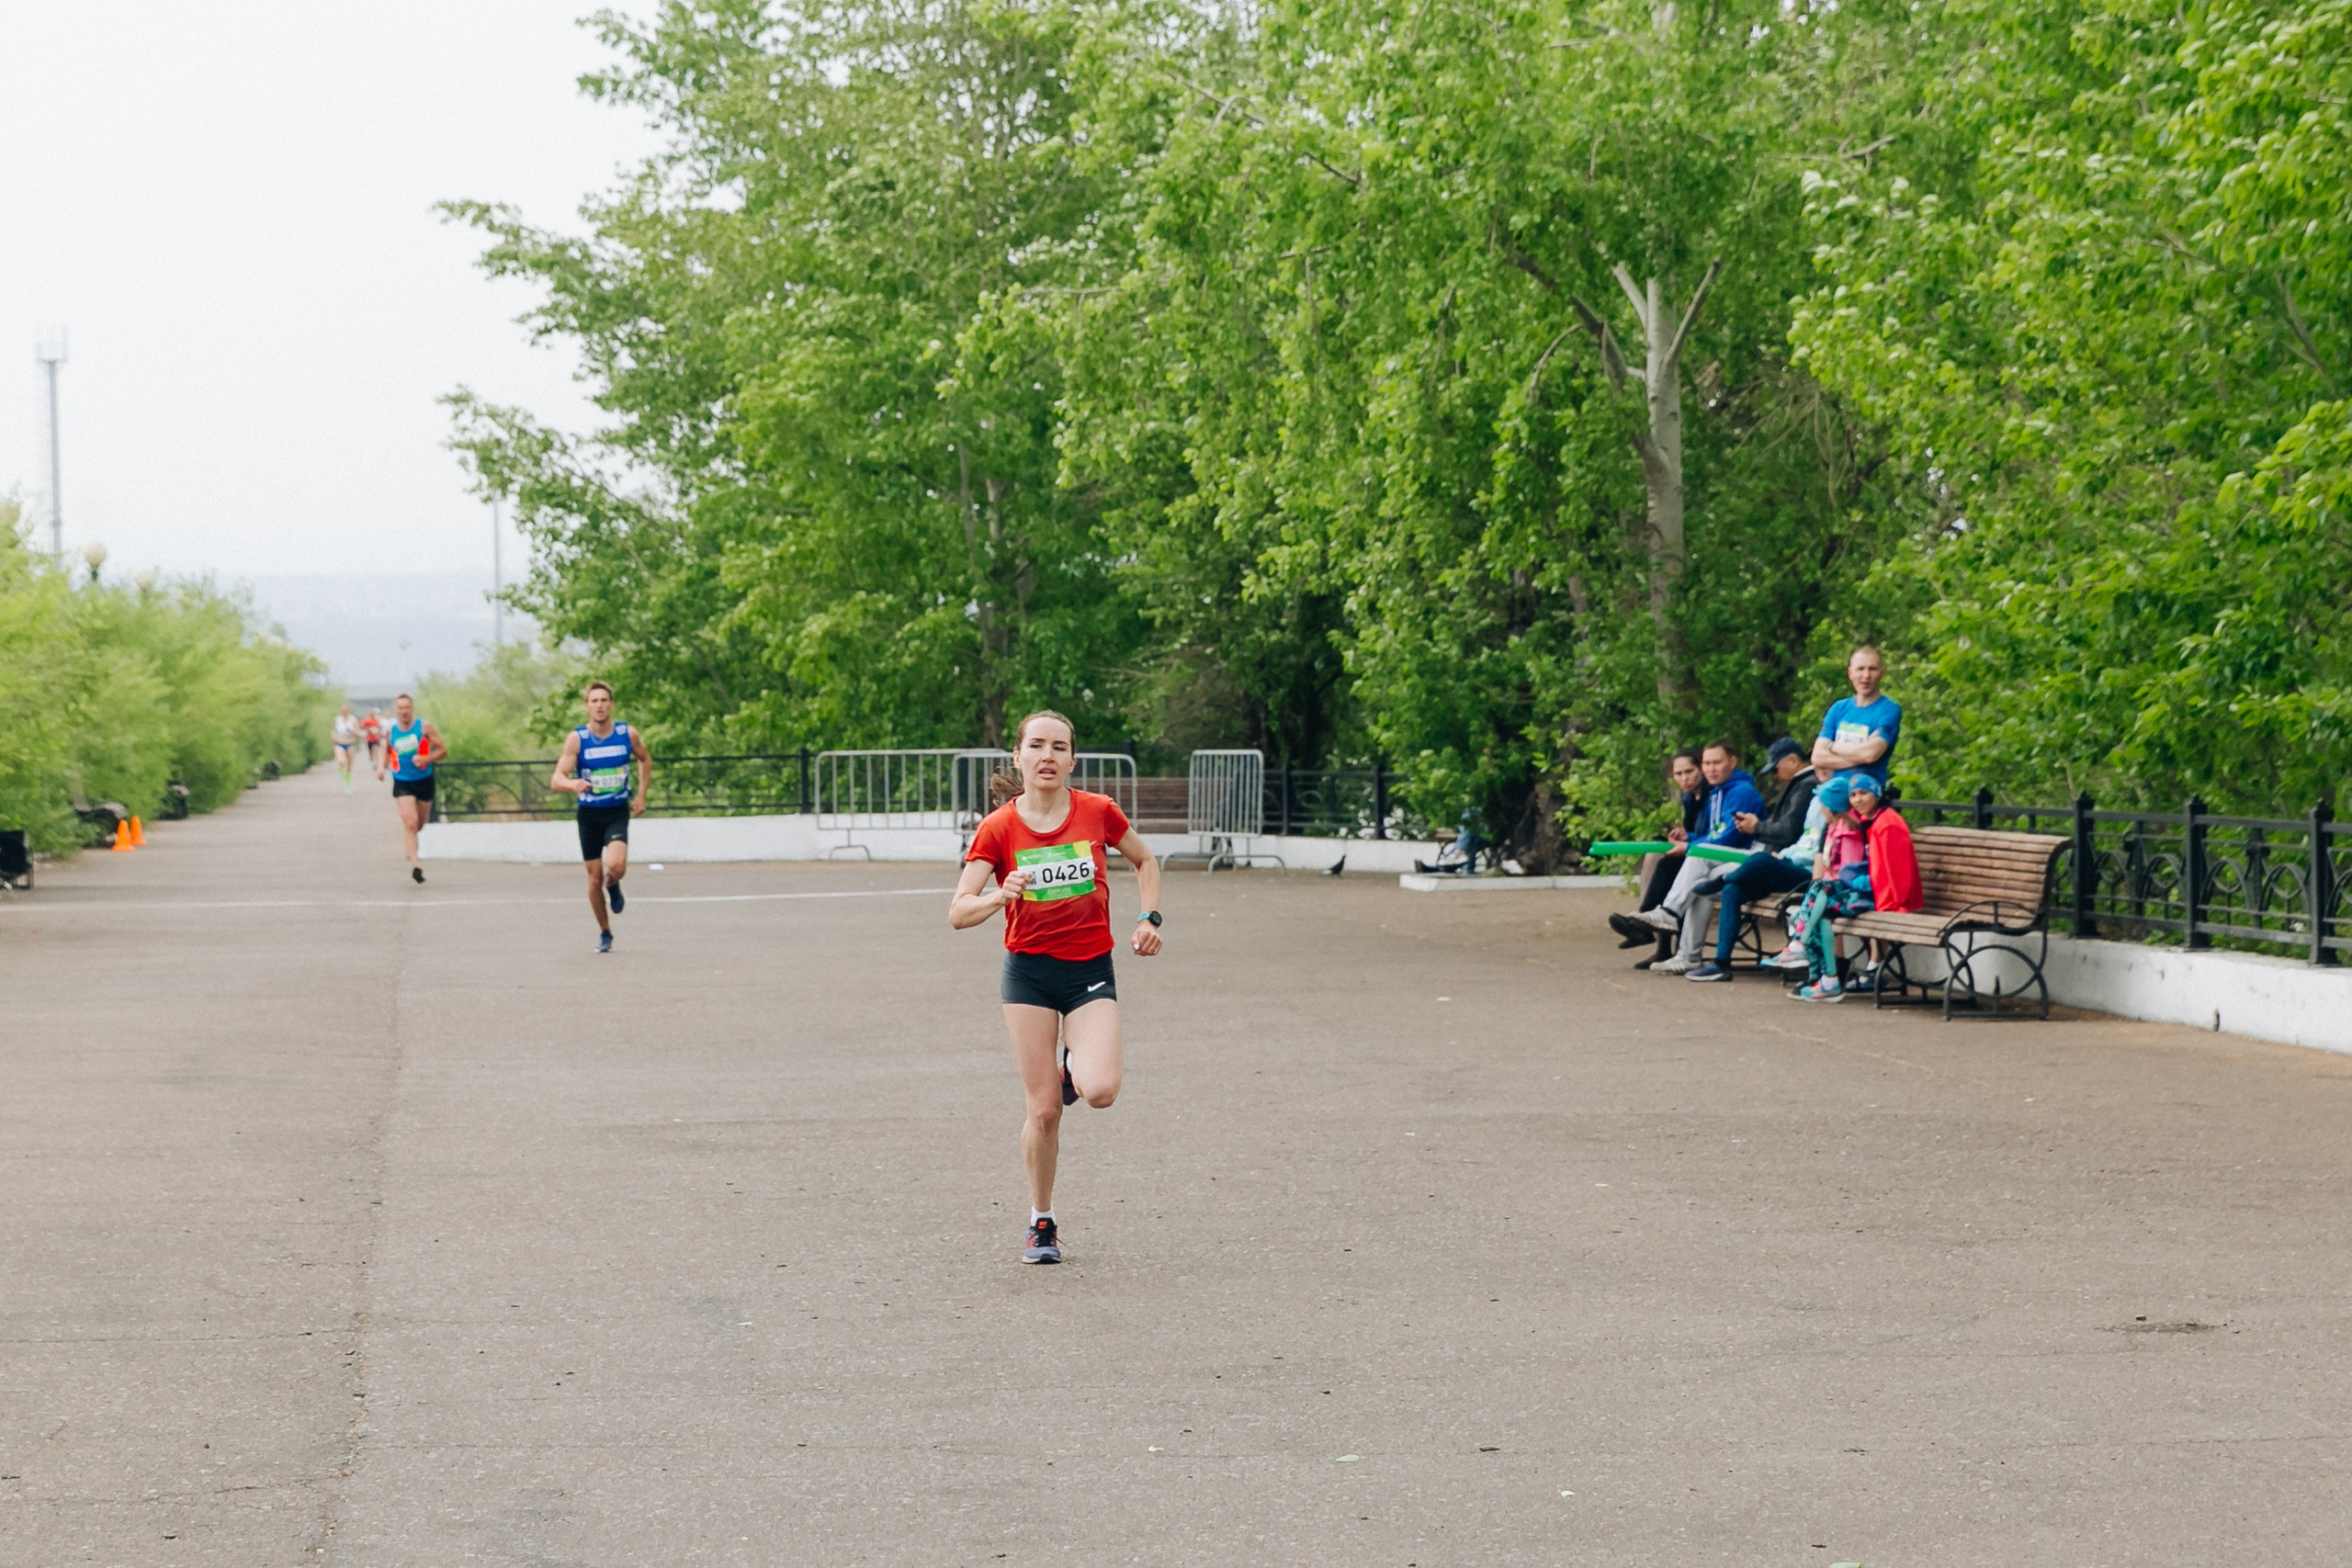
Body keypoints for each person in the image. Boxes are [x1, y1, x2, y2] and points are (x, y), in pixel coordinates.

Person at [951, 710, 1163, 1265]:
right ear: (1018, 757)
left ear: (1072, 760)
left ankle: (1072, 1069)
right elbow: (958, 911)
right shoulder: (999, 827)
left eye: (1059, 747)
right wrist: (1000, 896)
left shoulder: (1098, 812)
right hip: (1028, 975)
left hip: (1089, 969)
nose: (1047, 756)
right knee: (1044, 1111)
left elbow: (1144, 860)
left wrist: (1149, 917)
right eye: (1037, 745)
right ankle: (1040, 1221)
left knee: (1101, 1091)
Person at [1679, 740, 1826, 982]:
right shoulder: (1807, 789)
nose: (1775, 776)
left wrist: (1757, 828)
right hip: (1791, 861)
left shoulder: (1808, 786)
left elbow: (1791, 833)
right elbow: (1802, 839)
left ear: (1792, 760)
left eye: (1776, 768)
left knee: (1760, 860)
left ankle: (1723, 878)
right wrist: (1784, 852)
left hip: (1808, 873)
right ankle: (1721, 962)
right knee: (1733, 889)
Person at [1787, 773, 1923, 1002]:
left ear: (1877, 794)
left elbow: (1895, 875)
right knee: (1820, 902)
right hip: (1877, 894)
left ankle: (1818, 968)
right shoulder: (1873, 820)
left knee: (1821, 904)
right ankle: (1824, 977)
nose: (1858, 800)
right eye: (1853, 795)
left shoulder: (1887, 824)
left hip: (1888, 899)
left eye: (1864, 793)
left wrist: (1855, 881)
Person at [1636, 740, 1764, 966]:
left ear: (1732, 762)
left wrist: (1689, 846)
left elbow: (1729, 837)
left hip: (1749, 858)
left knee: (1697, 856)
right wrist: (1690, 838)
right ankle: (1688, 957)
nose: (1711, 769)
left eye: (1717, 763)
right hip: (1727, 858)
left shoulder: (1741, 792)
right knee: (1700, 884)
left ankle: (1669, 913)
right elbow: (1714, 834)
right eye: (1707, 764)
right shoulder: (1717, 792)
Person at [549, 680, 653, 953]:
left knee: (616, 866)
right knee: (594, 879)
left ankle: (614, 883)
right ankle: (605, 932)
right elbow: (557, 778)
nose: (600, 705)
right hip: (589, 815)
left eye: (604, 700)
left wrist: (641, 796)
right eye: (594, 701)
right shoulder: (577, 739)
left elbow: (644, 759)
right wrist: (573, 784)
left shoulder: (626, 734)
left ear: (612, 705)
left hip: (616, 811)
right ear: (587, 707)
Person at [1608, 749, 1705, 966]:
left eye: (1689, 771)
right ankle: (1653, 935)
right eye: (1678, 774)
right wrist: (1683, 835)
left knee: (1668, 865)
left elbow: (1712, 833)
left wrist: (1689, 839)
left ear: (1700, 769)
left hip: (1707, 856)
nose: (1684, 778)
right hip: (1695, 850)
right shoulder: (1688, 796)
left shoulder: (1711, 794)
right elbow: (1695, 831)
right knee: (1655, 855)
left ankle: (1643, 924)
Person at [375, 694, 446, 884]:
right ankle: (416, 865)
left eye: (407, 707)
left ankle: (412, 846)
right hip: (402, 781)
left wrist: (426, 758)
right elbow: (387, 751)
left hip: (424, 780)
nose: (404, 711)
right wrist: (381, 768)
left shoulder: (424, 727)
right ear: (396, 710)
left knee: (419, 825)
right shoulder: (391, 732)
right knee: (410, 823)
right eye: (400, 708)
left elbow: (443, 751)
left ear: (412, 709)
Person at [1813, 646, 1902, 788]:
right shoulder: (1838, 708)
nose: (1866, 675)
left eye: (1872, 669)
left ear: (1882, 673)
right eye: (1860, 669)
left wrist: (1832, 746)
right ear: (1850, 673)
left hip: (1865, 792)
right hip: (1833, 791)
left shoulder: (1889, 710)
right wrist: (1860, 755)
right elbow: (1817, 756)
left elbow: (1870, 754)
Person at [330, 704, 361, 794]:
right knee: (341, 761)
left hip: (350, 743)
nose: (344, 711)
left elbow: (358, 732)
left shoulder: (353, 720)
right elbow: (332, 730)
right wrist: (333, 736)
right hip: (339, 743)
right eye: (342, 709)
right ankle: (342, 775)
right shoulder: (337, 719)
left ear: (348, 710)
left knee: (349, 766)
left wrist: (352, 732)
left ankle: (347, 785)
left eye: (346, 709)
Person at [361, 707, 386, 771]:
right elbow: (362, 727)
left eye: (372, 713)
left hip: (376, 738)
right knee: (371, 751)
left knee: (375, 749)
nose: (371, 714)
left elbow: (380, 727)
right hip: (369, 738)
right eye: (370, 713)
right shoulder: (366, 720)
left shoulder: (377, 720)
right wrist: (369, 729)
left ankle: (375, 763)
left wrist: (378, 731)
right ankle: (371, 756)